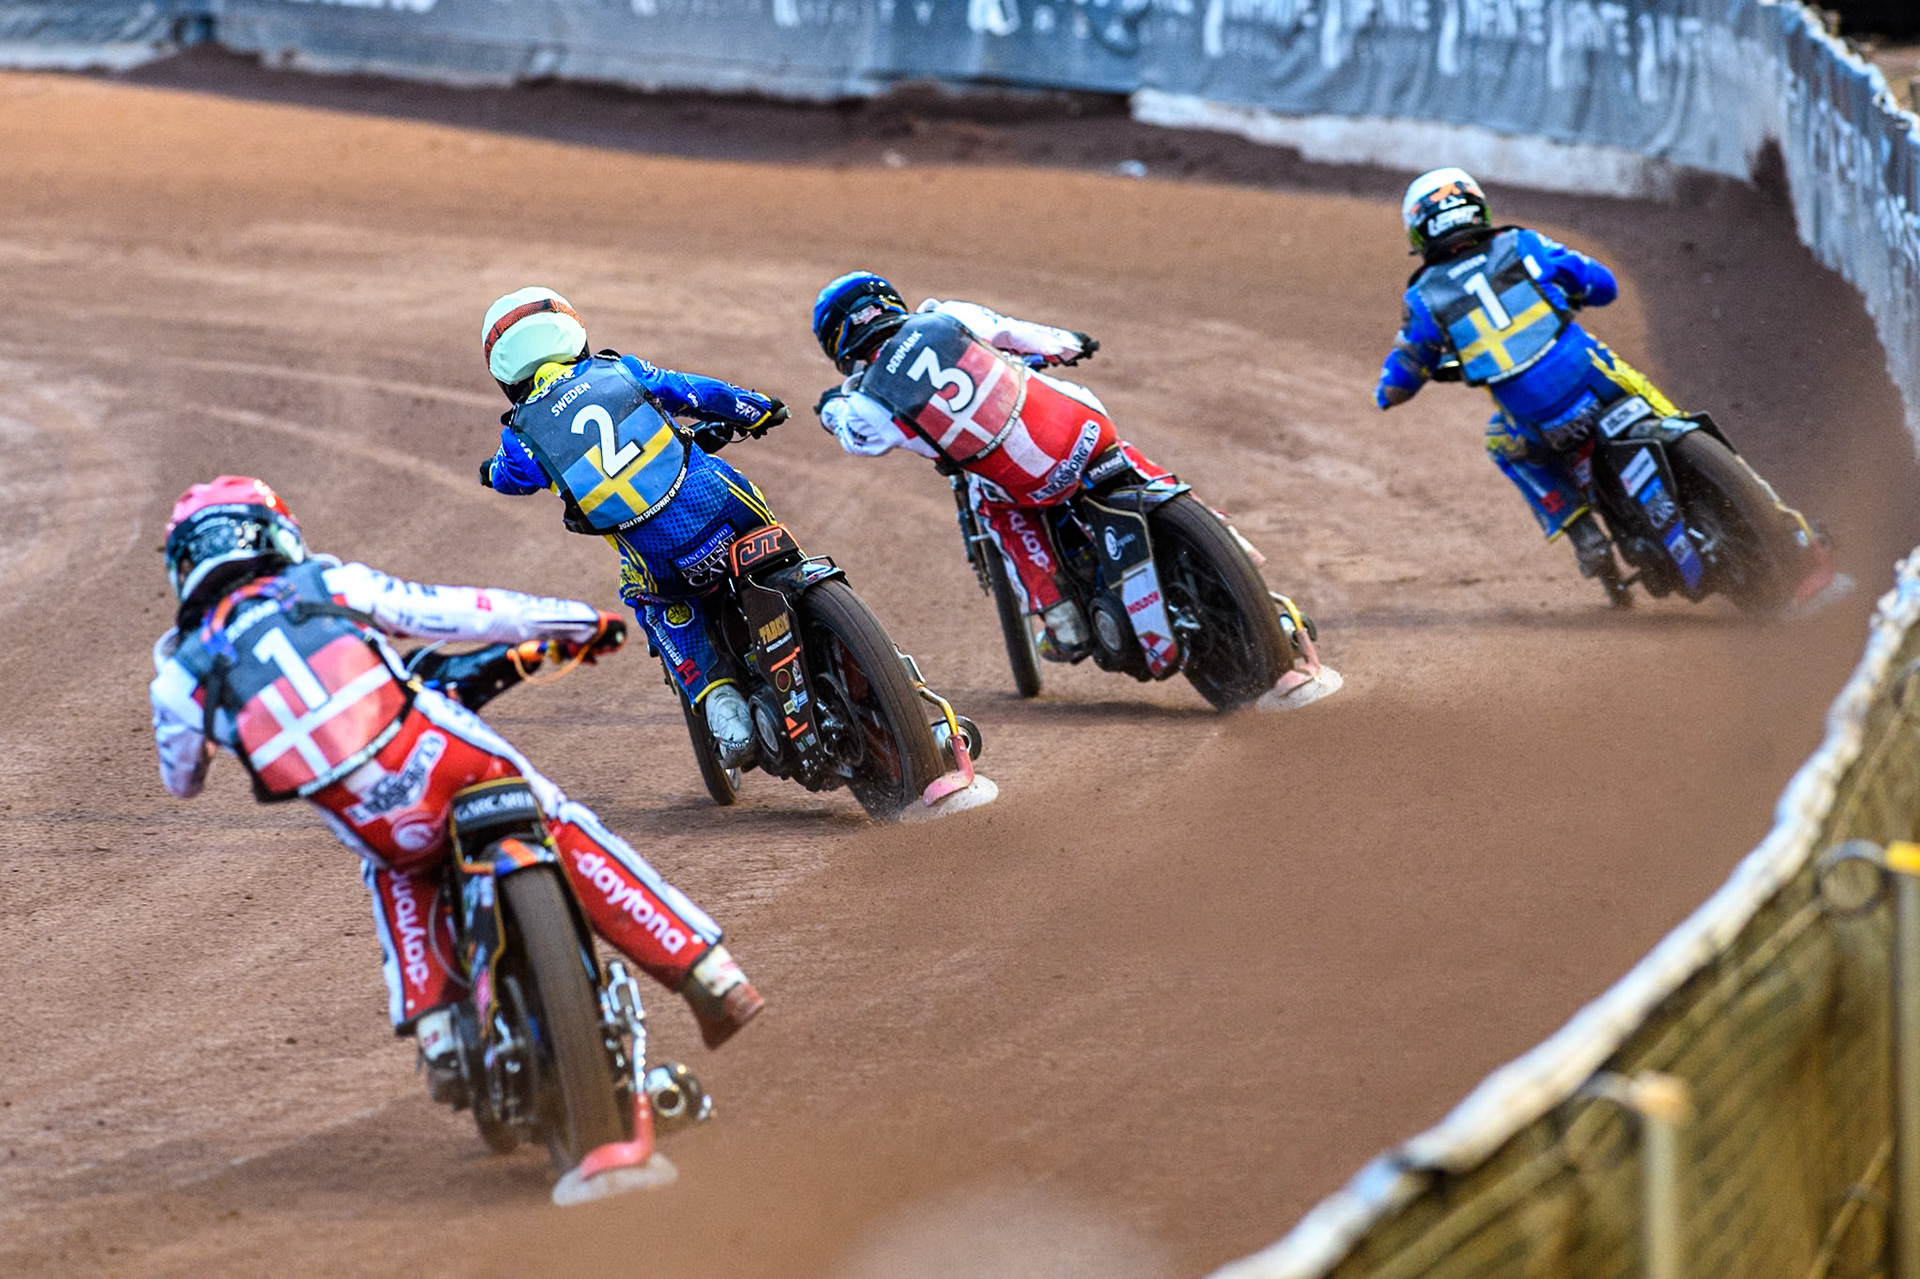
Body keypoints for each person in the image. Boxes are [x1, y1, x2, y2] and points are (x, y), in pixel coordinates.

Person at [149, 476, 764, 1101]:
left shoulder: (178, 677)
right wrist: (580, 623)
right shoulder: (329, 584)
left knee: (394, 872)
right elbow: (463, 611)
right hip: (445, 755)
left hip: (369, 816)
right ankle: (707, 973)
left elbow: (182, 780)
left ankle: (439, 1034)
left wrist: (208, 732)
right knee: (555, 820)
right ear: (274, 534)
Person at [477, 287, 790, 767]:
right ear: (572, 334)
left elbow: (508, 477)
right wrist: (758, 408)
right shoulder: (621, 369)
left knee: (652, 601)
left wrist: (489, 472)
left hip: (665, 559)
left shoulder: (520, 436)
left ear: (503, 373)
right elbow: (700, 394)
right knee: (784, 550)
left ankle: (722, 704)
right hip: (731, 509)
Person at [809, 271, 1172, 660]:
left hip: (1031, 485)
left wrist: (831, 405)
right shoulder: (945, 315)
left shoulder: (870, 403)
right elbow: (1016, 333)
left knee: (990, 501)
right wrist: (1072, 345)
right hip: (1090, 429)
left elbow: (852, 436)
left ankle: (1063, 620)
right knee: (1114, 445)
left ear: (837, 340)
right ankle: (1209, 521)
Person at [1374, 167, 1685, 590]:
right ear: (1475, 208)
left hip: (1538, 423)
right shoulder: (1524, 243)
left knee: (1501, 443)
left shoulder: (1424, 297)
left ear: (1419, 232)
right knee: (1672, 416)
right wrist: (1580, 293)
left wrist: (1386, 394)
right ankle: (1725, 468)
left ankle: (1584, 535)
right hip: (1597, 382)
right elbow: (1604, 285)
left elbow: (1404, 373)